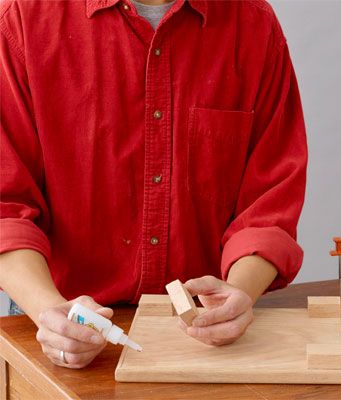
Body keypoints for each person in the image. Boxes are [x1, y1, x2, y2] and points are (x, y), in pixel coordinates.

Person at [0, 0, 307, 369]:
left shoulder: (254, 24)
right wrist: (48, 311)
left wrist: (239, 292)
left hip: (203, 342)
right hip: (56, 325)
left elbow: (268, 202)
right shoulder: (21, 17)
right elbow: (6, 207)